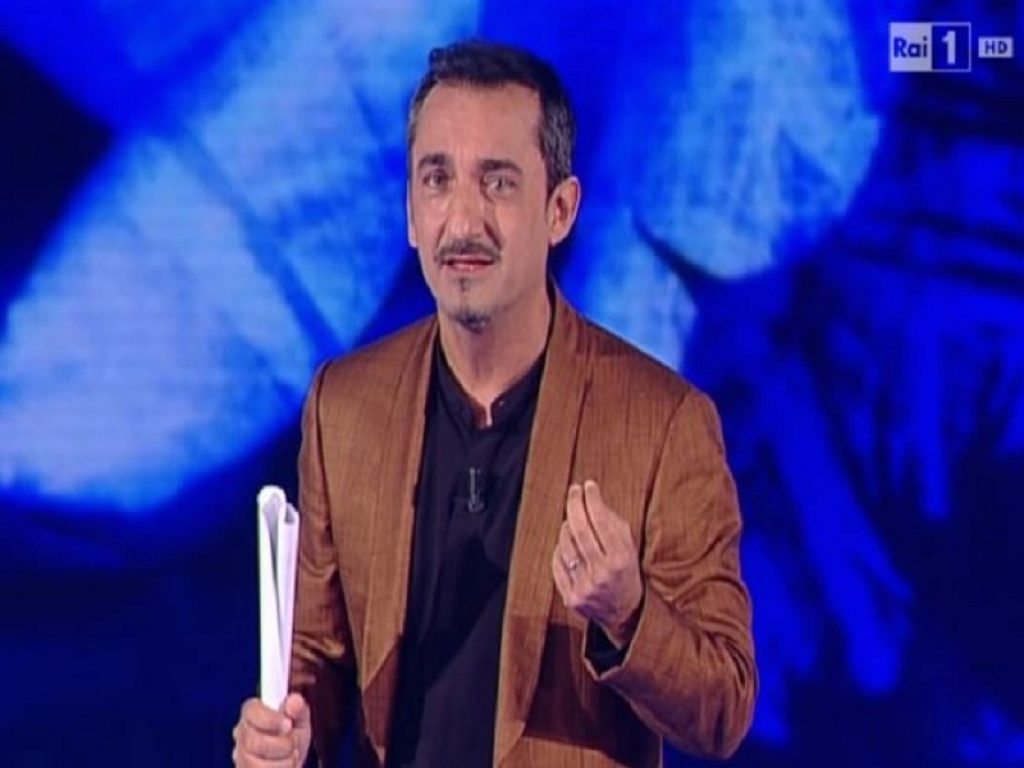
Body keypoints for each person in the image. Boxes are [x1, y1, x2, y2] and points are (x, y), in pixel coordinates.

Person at [232, 39, 756, 767]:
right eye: (437, 180)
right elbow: (316, 658)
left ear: (560, 209)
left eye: (499, 183)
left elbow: (724, 707)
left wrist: (628, 612)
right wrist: (287, 736)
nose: (463, 221)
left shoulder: (663, 422)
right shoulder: (344, 406)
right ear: (410, 212)